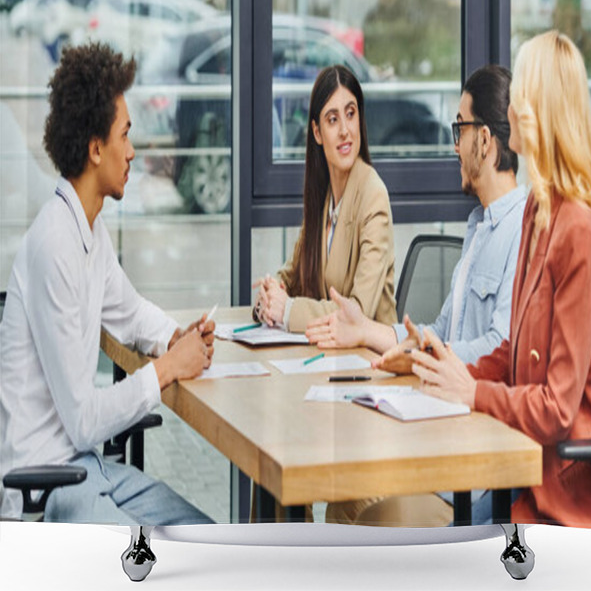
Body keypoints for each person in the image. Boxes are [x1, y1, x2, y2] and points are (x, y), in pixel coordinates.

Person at [410, 31, 591, 528]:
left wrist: (472, 394)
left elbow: (557, 408)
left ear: (538, 111)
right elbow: (516, 354)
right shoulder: (538, 209)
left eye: (519, 99)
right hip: (528, 474)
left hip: (568, 495)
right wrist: (453, 372)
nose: (508, 108)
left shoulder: (576, 228)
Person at [0, 43, 216, 525]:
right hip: (45, 486)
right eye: (126, 135)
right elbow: (83, 422)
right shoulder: (54, 246)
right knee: (159, 569)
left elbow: (130, 311)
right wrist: (164, 372)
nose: (134, 151)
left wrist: (175, 339)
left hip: (86, 469)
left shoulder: (89, 231)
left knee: (202, 536)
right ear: (96, 149)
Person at [316, 65, 527, 526]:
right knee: (341, 500)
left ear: (485, 140)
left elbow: (501, 346)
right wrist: (364, 330)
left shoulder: (524, 232)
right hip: (436, 438)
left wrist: (425, 357)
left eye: (460, 128)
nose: (454, 144)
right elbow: (438, 332)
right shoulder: (479, 229)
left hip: (475, 474)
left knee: (370, 521)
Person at [253, 65, 396, 333]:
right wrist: (270, 295)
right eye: (332, 119)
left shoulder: (373, 195)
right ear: (317, 133)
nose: (345, 130)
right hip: (330, 358)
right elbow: (293, 274)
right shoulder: (324, 197)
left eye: (350, 114)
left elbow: (358, 312)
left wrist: (288, 310)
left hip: (371, 363)